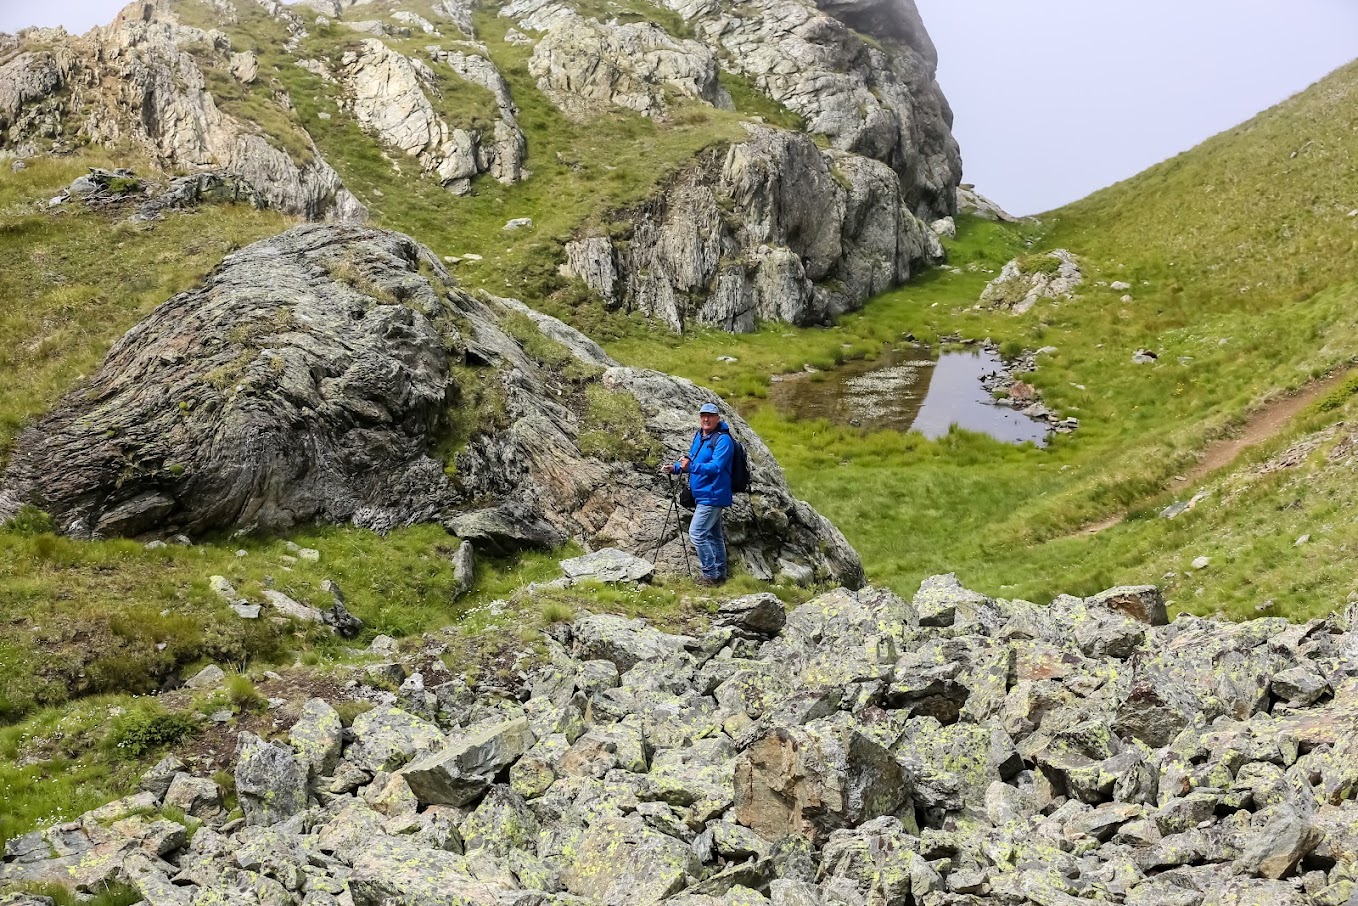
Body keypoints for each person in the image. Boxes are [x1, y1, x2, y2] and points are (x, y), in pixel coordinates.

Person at [662, 402, 735, 587]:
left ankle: (710, 575)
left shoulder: (723, 441)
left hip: (713, 496)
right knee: (713, 535)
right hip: (703, 495)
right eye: (703, 415)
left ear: (718, 418)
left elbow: (716, 467)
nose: (706, 419)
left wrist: (691, 467)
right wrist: (676, 468)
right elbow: (691, 460)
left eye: (710, 416)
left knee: (696, 534)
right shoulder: (700, 435)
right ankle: (720, 574)